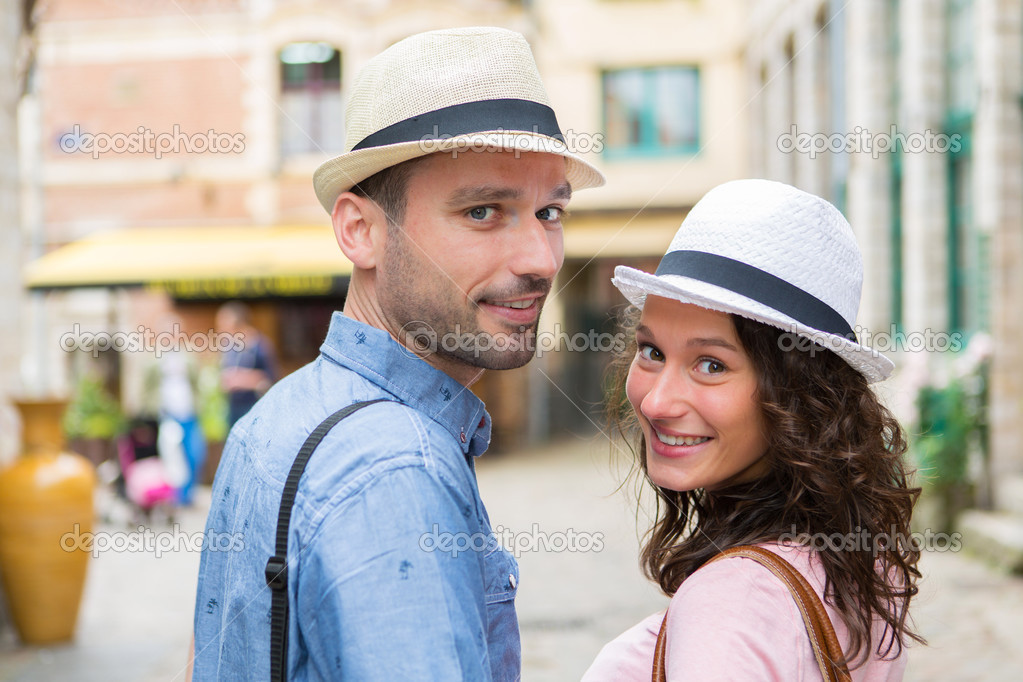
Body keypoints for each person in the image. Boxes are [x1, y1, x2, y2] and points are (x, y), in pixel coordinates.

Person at [190, 26, 604, 680]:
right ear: (361, 231)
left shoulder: (279, 414)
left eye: (549, 213)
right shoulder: (395, 469)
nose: (539, 260)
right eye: (483, 212)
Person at [583, 179, 923, 680]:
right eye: (652, 352)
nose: (655, 402)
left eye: (711, 365)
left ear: (798, 394)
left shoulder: (732, 601)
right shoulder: (863, 563)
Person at [214, 301, 277, 428]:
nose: (220, 330)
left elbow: (271, 379)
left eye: (223, 325)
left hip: (253, 407)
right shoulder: (229, 346)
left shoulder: (260, 346)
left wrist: (244, 379)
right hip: (233, 407)